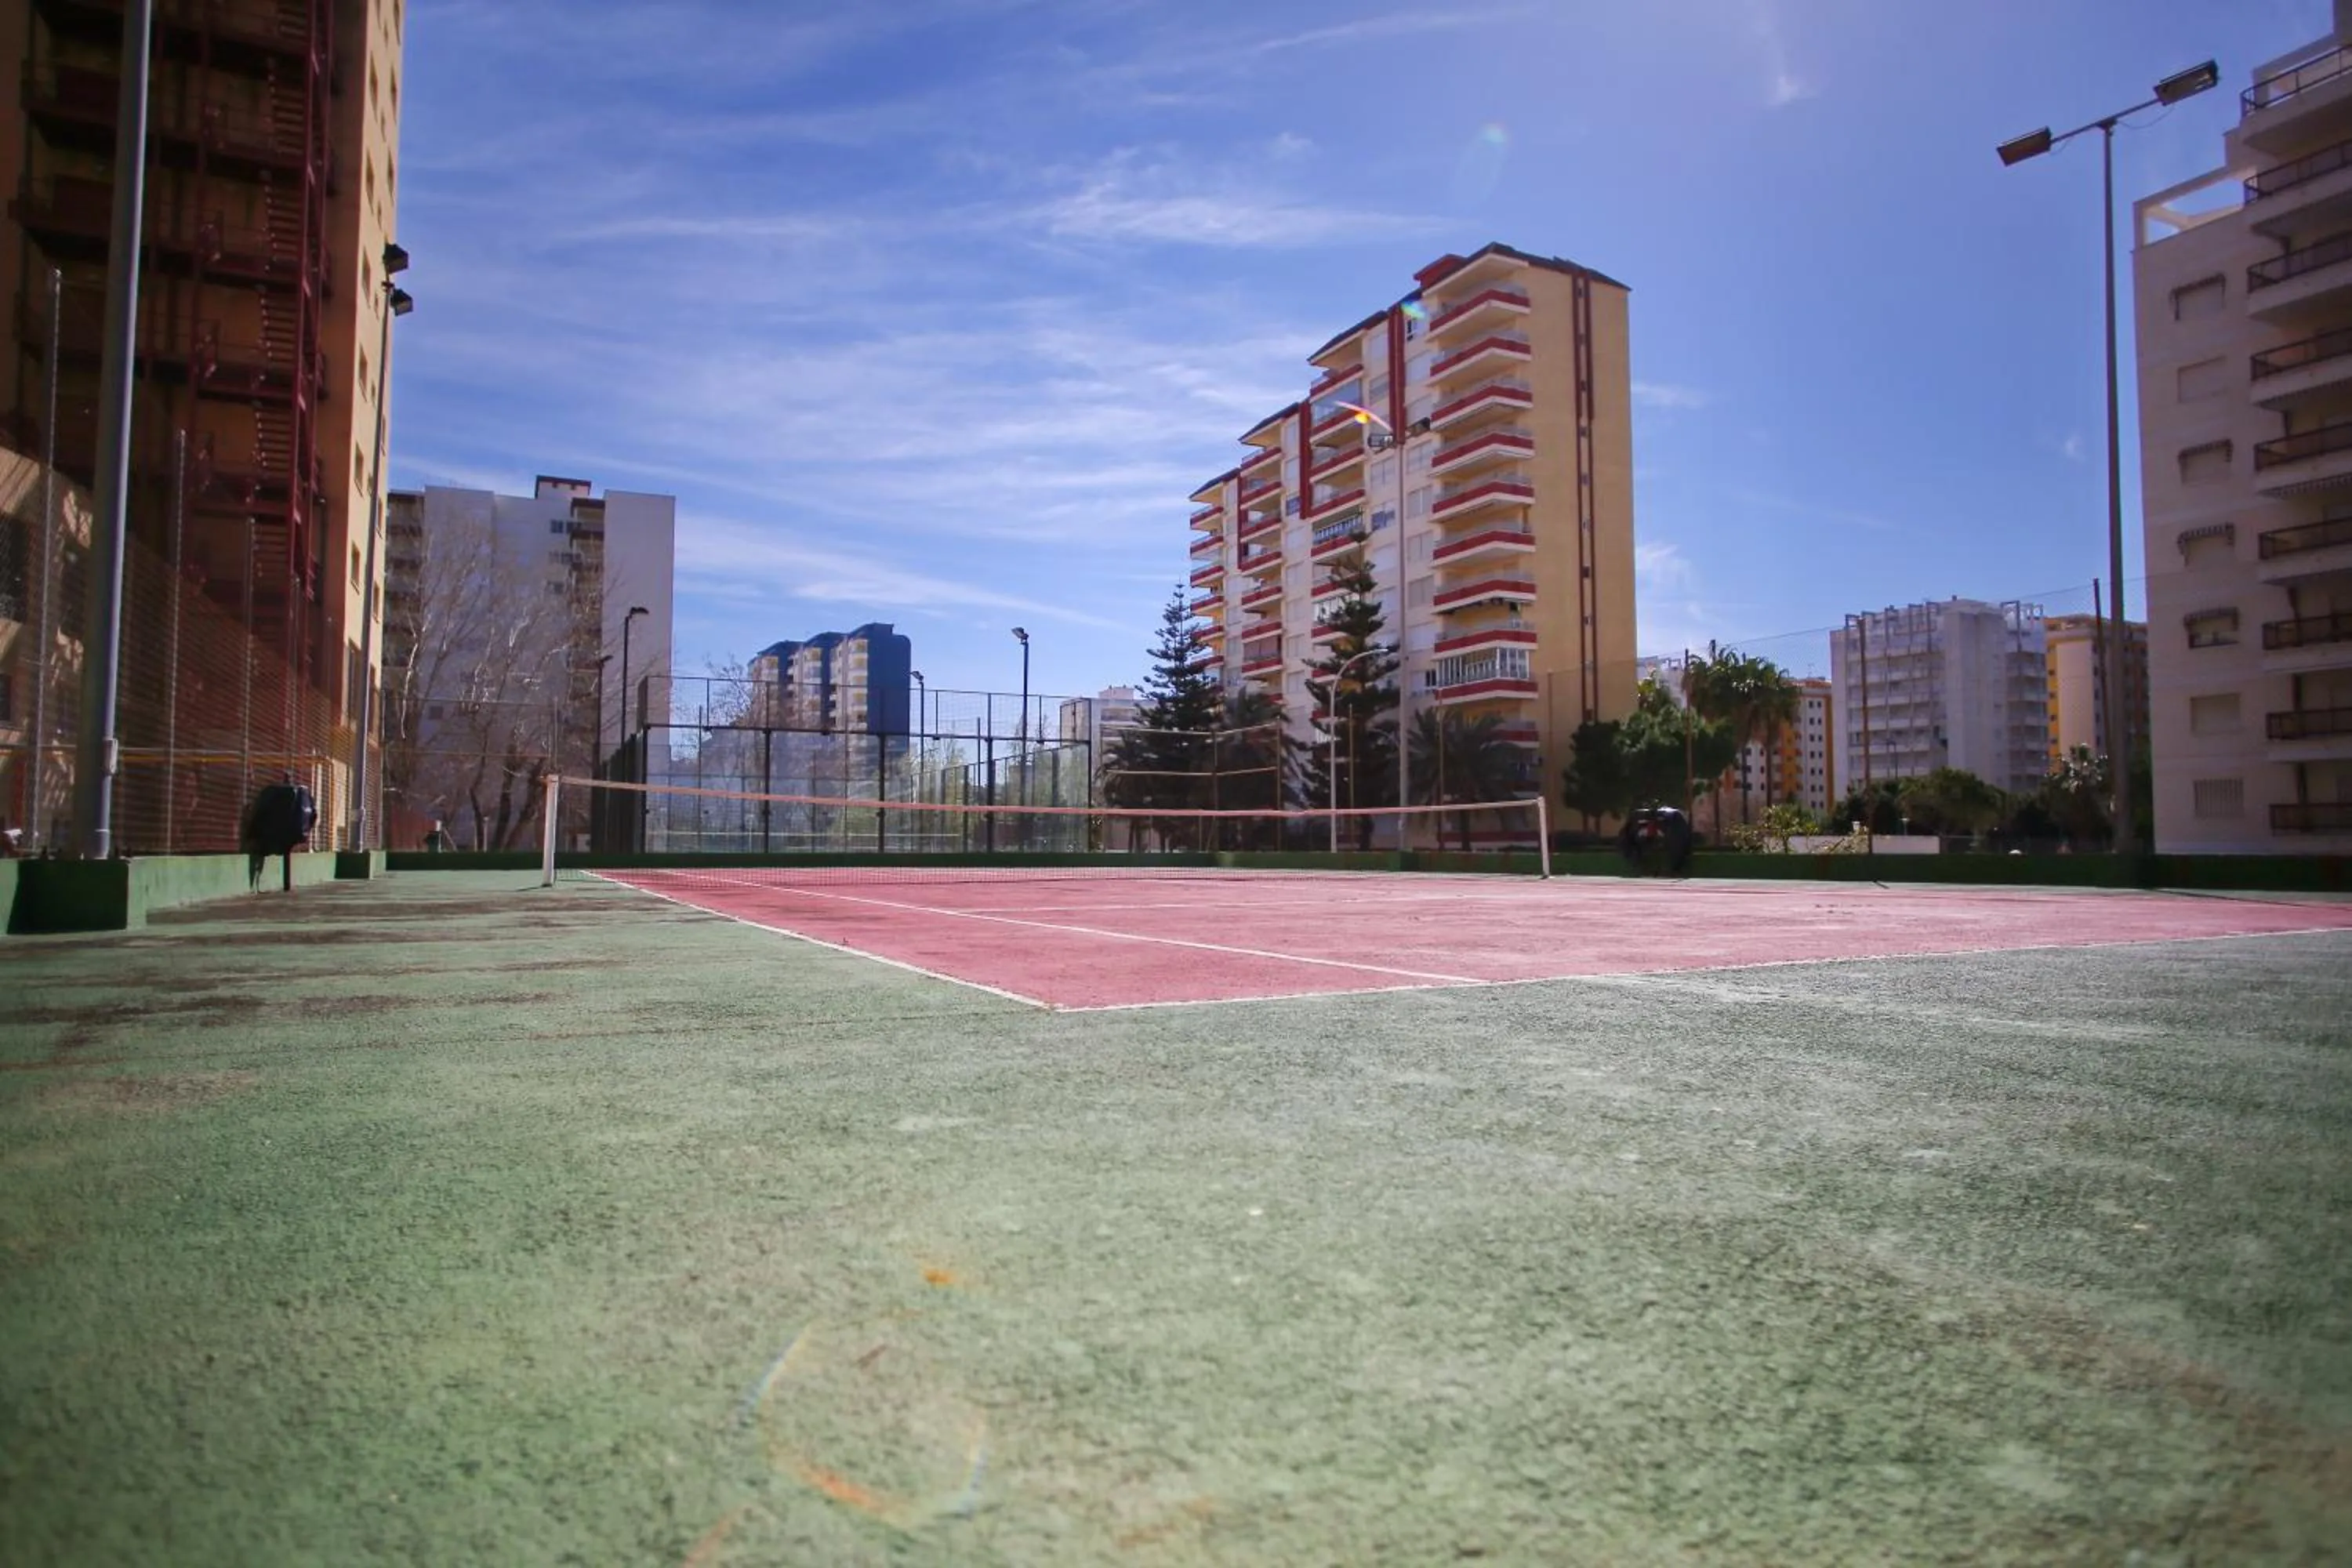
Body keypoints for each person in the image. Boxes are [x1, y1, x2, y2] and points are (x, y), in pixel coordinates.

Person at [243, 775, 318, 892]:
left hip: (271, 832)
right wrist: (307, 829)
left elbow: (261, 812)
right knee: (285, 848)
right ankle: (282, 883)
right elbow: (314, 814)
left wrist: (252, 832)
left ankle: (257, 876)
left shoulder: (272, 792)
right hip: (296, 831)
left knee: (263, 846)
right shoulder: (303, 793)